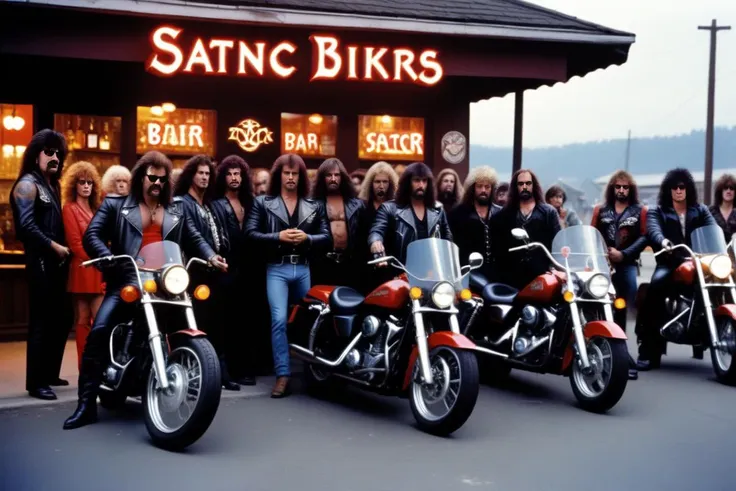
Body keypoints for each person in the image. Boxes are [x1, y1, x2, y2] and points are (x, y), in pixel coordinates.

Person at [63, 150, 226, 430]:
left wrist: (211, 255)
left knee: (183, 325)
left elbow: (193, 237)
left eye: (162, 180)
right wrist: (109, 257)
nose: (157, 184)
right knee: (100, 330)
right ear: (141, 177)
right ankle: (86, 405)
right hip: (129, 279)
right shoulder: (117, 204)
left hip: (166, 281)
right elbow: (92, 235)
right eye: (152, 178)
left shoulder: (175, 208)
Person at [244, 154, 330, 398]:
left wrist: (308, 239)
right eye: (286, 173)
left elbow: (327, 237)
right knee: (279, 320)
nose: (291, 178)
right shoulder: (263, 202)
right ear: (279, 175)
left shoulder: (313, 204)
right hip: (277, 267)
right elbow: (250, 235)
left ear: (301, 176)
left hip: (303, 267)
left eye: (295, 174)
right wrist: (277, 237)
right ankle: (283, 374)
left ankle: (310, 371)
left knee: (310, 321)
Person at [9, 129, 71, 400]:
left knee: (62, 318)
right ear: (36, 155)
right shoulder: (27, 184)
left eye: (58, 152)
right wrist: (53, 245)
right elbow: (25, 226)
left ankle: (49, 373)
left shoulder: (52, 185)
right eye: (49, 151)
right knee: (41, 322)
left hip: (57, 264)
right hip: (40, 262)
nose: (54, 156)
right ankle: (36, 382)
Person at [635, 168, 716, 371]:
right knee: (654, 288)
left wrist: (722, 243)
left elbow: (714, 229)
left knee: (723, 283)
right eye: (675, 187)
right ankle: (647, 347)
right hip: (671, 261)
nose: (679, 190)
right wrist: (663, 241)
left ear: (688, 189)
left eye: (682, 186)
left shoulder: (701, 210)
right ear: (668, 190)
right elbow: (653, 229)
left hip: (699, 262)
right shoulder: (658, 210)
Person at [174, 155, 238, 390]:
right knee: (195, 325)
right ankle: (194, 376)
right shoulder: (182, 202)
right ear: (191, 175)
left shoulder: (210, 203)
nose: (204, 177)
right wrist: (210, 256)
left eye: (207, 173)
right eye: (200, 173)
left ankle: (220, 373)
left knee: (218, 324)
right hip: (194, 273)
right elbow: (192, 234)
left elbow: (222, 235)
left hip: (216, 272)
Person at [591, 170, 648, 380]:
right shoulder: (600, 210)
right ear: (612, 188)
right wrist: (602, 255)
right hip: (603, 266)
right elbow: (592, 234)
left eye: (625, 187)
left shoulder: (639, 211)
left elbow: (644, 237)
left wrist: (623, 254)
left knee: (622, 307)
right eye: (618, 186)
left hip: (627, 265)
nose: (621, 190)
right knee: (599, 305)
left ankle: (622, 353)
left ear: (630, 189)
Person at [211, 155, 259, 386]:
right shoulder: (216, 202)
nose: (234, 177)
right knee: (224, 320)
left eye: (238, 173)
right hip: (225, 266)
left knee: (246, 320)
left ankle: (244, 368)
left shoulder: (251, 201)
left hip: (249, 267)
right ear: (223, 176)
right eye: (230, 173)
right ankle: (225, 371)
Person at [61, 161, 105, 370]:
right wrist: (100, 258)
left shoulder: (97, 208)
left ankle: (97, 364)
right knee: (83, 319)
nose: (86, 186)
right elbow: (75, 243)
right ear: (74, 185)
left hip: (98, 268)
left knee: (100, 319)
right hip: (83, 268)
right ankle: (84, 366)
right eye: (82, 182)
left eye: (89, 182)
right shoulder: (69, 209)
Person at [369, 162, 452, 265]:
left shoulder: (438, 210)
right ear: (407, 182)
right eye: (416, 180)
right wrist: (376, 242)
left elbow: (448, 241)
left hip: (432, 271)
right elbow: (377, 230)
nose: (421, 185)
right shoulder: (389, 208)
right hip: (400, 272)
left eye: (424, 181)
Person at [491, 169, 560, 289]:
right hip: (511, 277)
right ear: (515, 187)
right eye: (520, 184)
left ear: (534, 185)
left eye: (528, 183)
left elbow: (558, 244)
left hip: (541, 275)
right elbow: (497, 249)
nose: (524, 187)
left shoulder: (549, 213)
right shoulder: (503, 216)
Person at [310, 158, 367, 288]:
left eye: (337, 175)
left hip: (350, 263)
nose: (333, 178)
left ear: (343, 178)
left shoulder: (357, 205)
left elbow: (363, 236)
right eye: (329, 175)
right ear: (322, 178)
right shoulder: (311, 205)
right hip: (323, 263)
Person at [447, 166, 501, 281]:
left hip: (495, 274)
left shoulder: (500, 214)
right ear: (473, 188)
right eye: (479, 186)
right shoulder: (458, 213)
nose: (483, 190)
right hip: (467, 273)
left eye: (487, 187)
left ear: (492, 189)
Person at [710, 173, 736, 243]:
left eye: (732, 188)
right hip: (715, 252)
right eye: (725, 188)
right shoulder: (710, 212)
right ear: (720, 191)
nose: (728, 191)